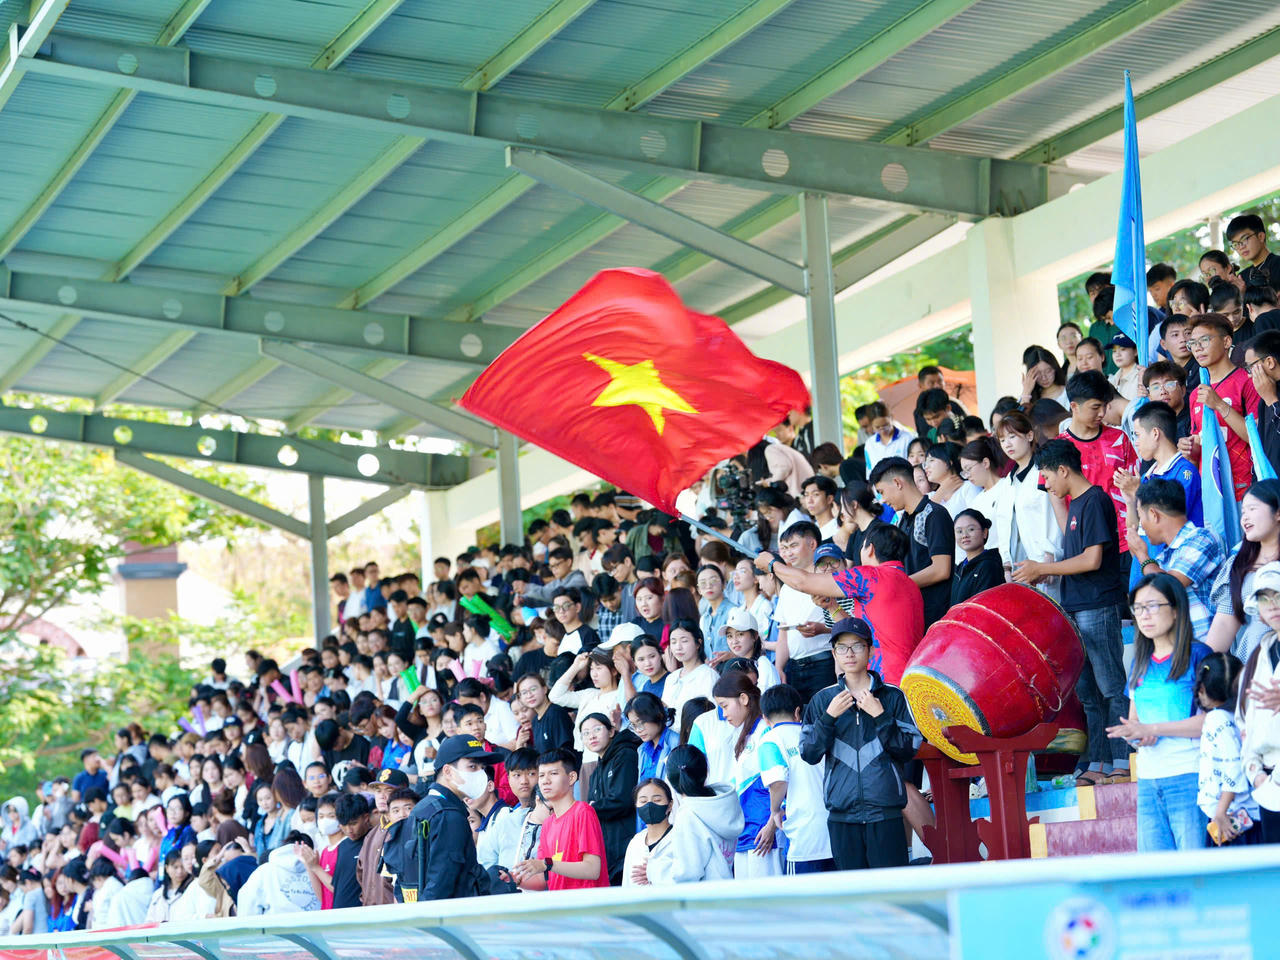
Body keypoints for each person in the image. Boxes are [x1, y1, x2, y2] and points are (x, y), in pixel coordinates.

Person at [1014, 439, 1129, 784]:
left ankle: (1122, 759)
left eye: (1047, 476)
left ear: (1063, 470)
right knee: (1089, 694)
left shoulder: (1094, 500)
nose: (1045, 484)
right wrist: (1043, 570)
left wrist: (1043, 569)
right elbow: (1077, 558)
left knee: (1110, 687)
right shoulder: (1075, 503)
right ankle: (1099, 761)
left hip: (1097, 604)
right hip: (1076, 608)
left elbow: (1092, 559)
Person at [800, 618, 920, 870]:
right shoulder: (822, 700)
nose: (849, 653)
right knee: (854, 900)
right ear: (834, 653)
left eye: (857, 646)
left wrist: (880, 716)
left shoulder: (893, 696)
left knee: (889, 896)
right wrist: (828, 717)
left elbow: (908, 750)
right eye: (842, 648)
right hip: (842, 816)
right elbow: (809, 753)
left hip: (885, 814)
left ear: (870, 651)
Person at [1104, 574, 1209, 851]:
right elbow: (1135, 721)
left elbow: (1212, 722)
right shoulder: (1140, 662)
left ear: (1175, 610)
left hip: (1190, 775)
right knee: (1156, 877)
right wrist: (1135, 735)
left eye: (1152, 606)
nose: (1144, 615)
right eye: (1138, 608)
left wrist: (1153, 730)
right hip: (1149, 781)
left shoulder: (1198, 656)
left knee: (1195, 872)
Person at [758, 523, 922, 686]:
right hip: (912, 676)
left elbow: (803, 581)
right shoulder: (910, 584)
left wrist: (773, 564)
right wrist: (831, 607)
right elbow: (855, 629)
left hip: (885, 678)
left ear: (870, 549)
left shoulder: (871, 576)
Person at [389, 735, 497, 903]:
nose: (480, 773)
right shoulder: (448, 815)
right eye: (472, 766)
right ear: (447, 771)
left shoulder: (421, 807)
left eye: (482, 767)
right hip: (448, 919)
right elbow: (442, 880)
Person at [1125, 480, 1224, 639]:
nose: (1141, 525)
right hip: (1179, 650)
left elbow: (1169, 586)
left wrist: (1142, 555)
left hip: (1205, 649)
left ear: (1153, 514)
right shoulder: (1164, 556)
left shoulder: (1202, 538)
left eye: (1140, 516)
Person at [868, 457, 953, 628]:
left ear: (897, 483)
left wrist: (899, 585)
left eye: (882, 492)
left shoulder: (934, 514)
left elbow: (941, 569)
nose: (882, 500)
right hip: (911, 615)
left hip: (935, 618)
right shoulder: (901, 520)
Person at [1184, 313, 1259, 502]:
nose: (1198, 348)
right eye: (1192, 343)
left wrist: (1219, 404)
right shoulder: (1196, 394)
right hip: (1210, 489)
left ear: (1226, 342)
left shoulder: (1246, 382)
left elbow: (1256, 437)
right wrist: (1188, 448)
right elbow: (1199, 444)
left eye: (1205, 340)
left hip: (1243, 487)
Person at [758, 684, 832, 874]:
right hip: (836, 832)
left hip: (804, 840)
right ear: (798, 712)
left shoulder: (770, 740)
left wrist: (774, 811)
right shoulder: (816, 735)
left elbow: (778, 781)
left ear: (765, 718)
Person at [642, 745, 742, 884]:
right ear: (705, 771)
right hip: (724, 894)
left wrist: (653, 869)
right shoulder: (721, 804)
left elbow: (686, 875)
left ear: (670, 780)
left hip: (703, 901)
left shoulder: (689, 815)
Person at [1058, 371, 1137, 547]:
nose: (1101, 413)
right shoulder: (1059, 447)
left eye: (1104, 406)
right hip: (1086, 542)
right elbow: (1058, 504)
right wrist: (1074, 543)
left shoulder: (1120, 439)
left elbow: (1133, 487)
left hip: (1124, 541)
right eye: (1095, 407)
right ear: (1074, 406)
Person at [511, 749, 609, 890]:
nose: (545, 781)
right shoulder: (548, 824)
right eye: (542, 775)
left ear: (571, 777)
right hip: (561, 907)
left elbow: (592, 869)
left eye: (553, 773)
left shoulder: (583, 812)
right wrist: (513, 878)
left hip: (587, 907)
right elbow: (543, 879)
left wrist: (547, 864)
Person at [1206, 480, 1280, 660]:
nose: (1245, 518)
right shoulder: (1238, 564)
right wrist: (1203, 670)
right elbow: (1224, 623)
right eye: (1243, 512)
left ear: (1278, 512)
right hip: (1253, 671)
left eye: (1252, 509)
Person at [1195, 653, 1258, 846]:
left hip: (1230, 820)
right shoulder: (1238, 716)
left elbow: (1233, 766)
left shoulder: (1217, 719)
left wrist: (1220, 812)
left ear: (1202, 687)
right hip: (1240, 816)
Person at [1118, 400, 1202, 527]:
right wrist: (1131, 501)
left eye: (1138, 435)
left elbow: (1169, 525)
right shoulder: (1147, 476)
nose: (1136, 442)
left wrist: (1139, 492)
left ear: (1155, 433)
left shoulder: (1184, 471)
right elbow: (1135, 531)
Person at [581, 714, 640, 885]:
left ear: (612, 731)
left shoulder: (625, 755)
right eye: (585, 733)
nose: (591, 736)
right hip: (607, 850)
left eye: (597, 729)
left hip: (626, 846)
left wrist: (589, 808)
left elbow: (622, 799)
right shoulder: (595, 772)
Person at [236, 832, 322, 915]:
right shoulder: (320, 870)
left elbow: (248, 905)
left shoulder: (265, 870)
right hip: (318, 927)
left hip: (276, 927)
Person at [621, 778, 675, 886]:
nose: (649, 805)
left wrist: (655, 875)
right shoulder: (635, 842)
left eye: (657, 800)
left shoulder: (679, 838)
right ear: (636, 805)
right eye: (643, 801)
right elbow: (626, 885)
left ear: (670, 805)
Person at [662, 621, 719, 717]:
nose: (678, 647)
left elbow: (713, 714)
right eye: (673, 642)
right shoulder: (671, 678)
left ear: (698, 643)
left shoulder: (708, 676)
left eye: (684, 641)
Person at [951, 509, 1004, 606]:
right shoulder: (959, 569)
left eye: (971, 529)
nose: (964, 535)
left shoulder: (989, 565)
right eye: (959, 531)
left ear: (984, 533)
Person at [1227, 213, 1280, 291]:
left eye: (1244, 239)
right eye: (1235, 244)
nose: (1241, 247)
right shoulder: (1242, 278)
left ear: (1261, 237)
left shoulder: (1278, 264)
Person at [863, 401, 913, 473]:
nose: (882, 430)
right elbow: (870, 471)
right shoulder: (870, 444)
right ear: (871, 425)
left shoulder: (907, 438)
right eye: (877, 427)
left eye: (885, 425)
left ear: (891, 418)